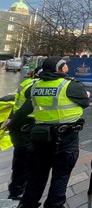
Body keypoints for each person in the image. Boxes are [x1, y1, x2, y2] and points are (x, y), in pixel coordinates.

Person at [9, 56, 89, 208]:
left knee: (36, 176)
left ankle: (27, 204)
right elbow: (85, 103)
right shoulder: (71, 86)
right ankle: (54, 204)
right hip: (65, 139)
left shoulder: (35, 86)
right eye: (65, 65)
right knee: (60, 176)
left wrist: (12, 124)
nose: (67, 67)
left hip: (39, 137)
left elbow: (25, 109)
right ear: (60, 69)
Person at [6, 66, 42, 200]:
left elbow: (17, 105)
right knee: (25, 161)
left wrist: (11, 120)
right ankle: (18, 192)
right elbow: (24, 110)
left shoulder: (26, 83)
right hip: (25, 128)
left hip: (22, 129)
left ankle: (17, 189)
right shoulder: (36, 87)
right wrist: (13, 124)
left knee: (21, 161)